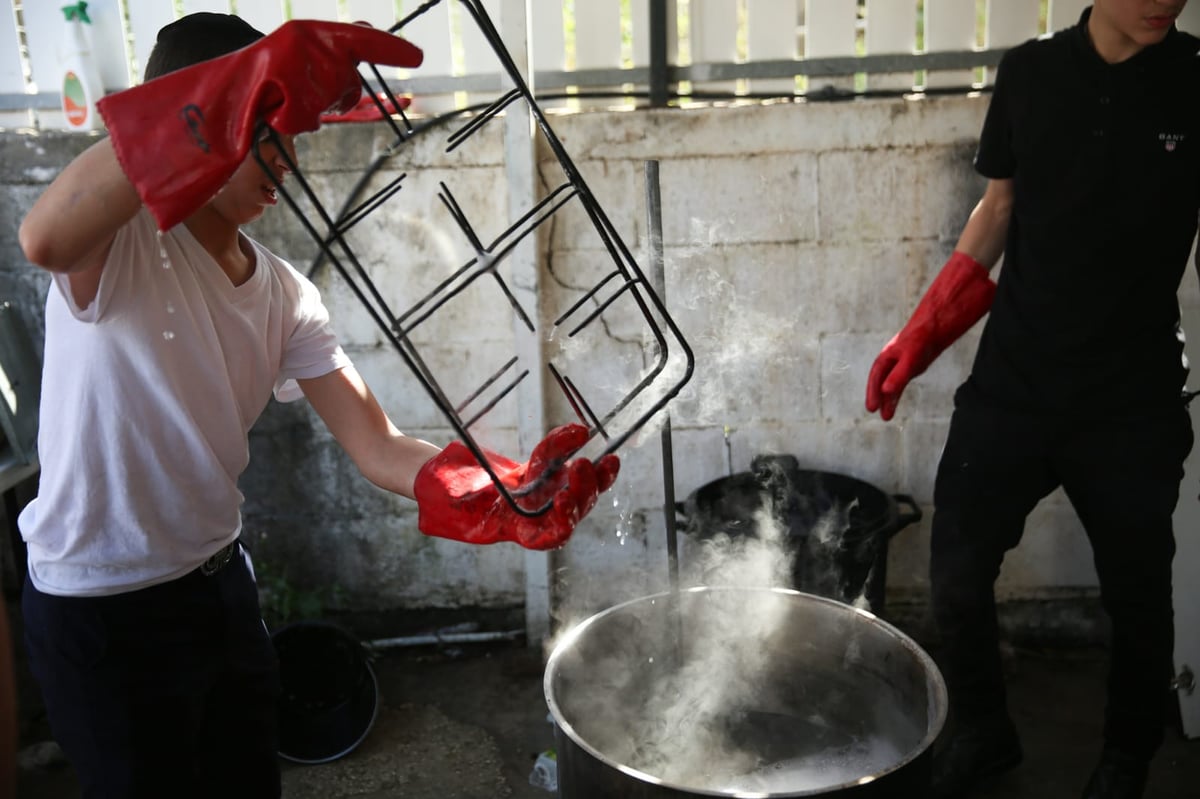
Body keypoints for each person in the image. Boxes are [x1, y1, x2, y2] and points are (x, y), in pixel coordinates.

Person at [15, 13, 618, 799]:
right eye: (264, 129)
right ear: (200, 119)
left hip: (218, 589)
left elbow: (375, 441)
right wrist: (227, 87)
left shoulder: (283, 294)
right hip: (99, 610)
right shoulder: (120, 246)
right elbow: (43, 238)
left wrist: (491, 489)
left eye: (290, 133)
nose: (287, 161)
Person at [864, 2, 1197, 798]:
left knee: (1140, 595)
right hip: (1015, 385)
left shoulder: (1193, 79)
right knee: (956, 570)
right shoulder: (1032, 74)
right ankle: (984, 730)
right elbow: (998, 209)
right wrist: (920, 335)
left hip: (1134, 400)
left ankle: (1126, 758)